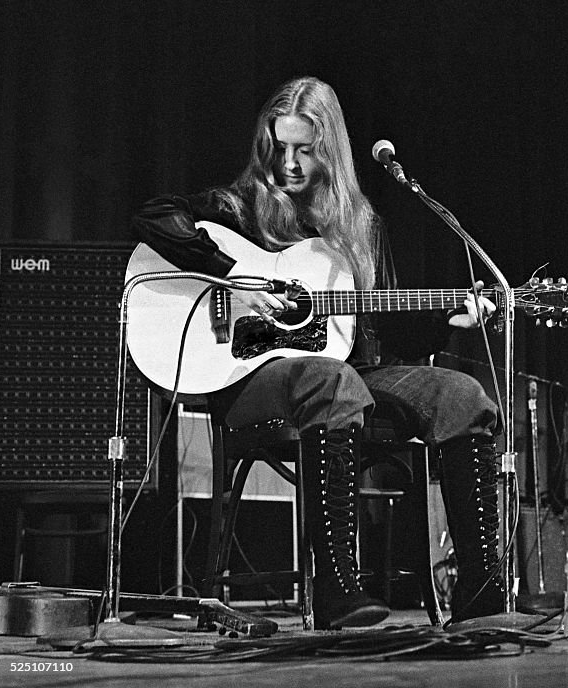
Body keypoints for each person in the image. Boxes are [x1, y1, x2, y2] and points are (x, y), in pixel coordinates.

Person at [131, 76, 505, 629]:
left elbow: (378, 332)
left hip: (347, 374)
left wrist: (447, 322)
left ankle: (479, 591)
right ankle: (336, 590)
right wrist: (236, 278)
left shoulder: (361, 228)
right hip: (249, 377)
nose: (289, 164)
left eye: (304, 150)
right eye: (279, 148)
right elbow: (153, 217)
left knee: (462, 395)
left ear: (329, 150)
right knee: (333, 382)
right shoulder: (236, 207)